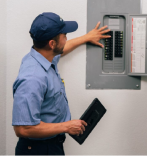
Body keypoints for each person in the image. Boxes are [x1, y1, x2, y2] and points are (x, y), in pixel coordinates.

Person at [12, 12, 110, 156]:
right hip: (38, 151)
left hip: (51, 146)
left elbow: (62, 49)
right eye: (64, 35)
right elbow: (22, 128)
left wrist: (87, 38)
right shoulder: (32, 78)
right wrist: (66, 126)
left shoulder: (43, 56)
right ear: (52, 43)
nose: (66, 38)